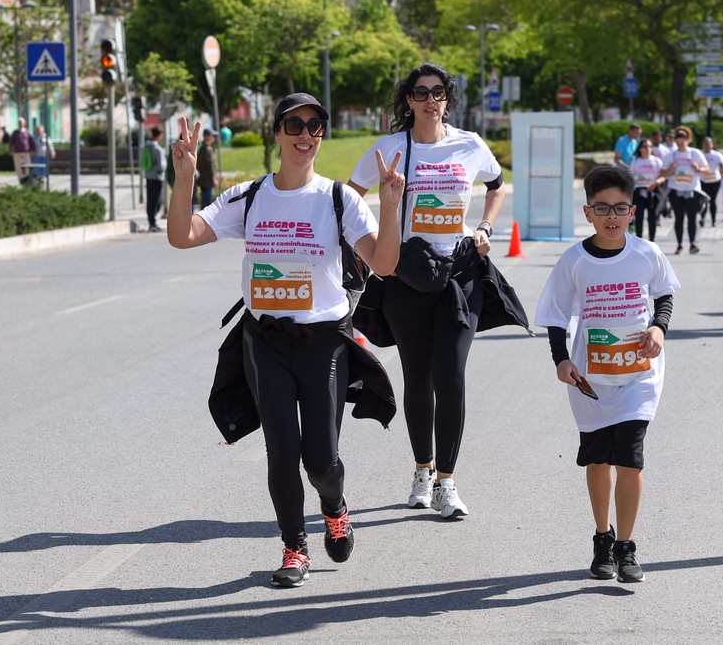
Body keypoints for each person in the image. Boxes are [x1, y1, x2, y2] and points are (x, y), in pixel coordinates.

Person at [167, 92, 404, 589]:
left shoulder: (339, 198)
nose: (305, 136)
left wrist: (391, 204)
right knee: (282, 449)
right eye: (294, 125)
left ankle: (335, 506)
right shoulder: (249, 196)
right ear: (277, 132)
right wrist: (186, 175)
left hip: (324, 342)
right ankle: (295, 548)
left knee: (320, 459)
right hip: (266, 340)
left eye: (314, 127)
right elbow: (183, 235)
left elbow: (383, 264)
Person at [348, 63, 506, 519]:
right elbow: (347, 197)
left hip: (459, 273)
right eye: (421, 93)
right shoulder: (390, 149)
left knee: (450, 375)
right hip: (405, 275)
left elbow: (495, 185)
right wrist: (377, 239)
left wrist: (485, 225)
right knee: (417, 379)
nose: (430, 100)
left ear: (447, 99)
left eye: (438, 92)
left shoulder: (470, 144)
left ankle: (447, 482)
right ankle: (422, 469)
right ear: (409, 100)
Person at [534, 165, 680, 583]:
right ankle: (603, 538)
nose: (611, 216)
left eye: (619, 208)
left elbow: (664, 293)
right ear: (588, 211)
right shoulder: (574, 261)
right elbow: (556, 314)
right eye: (602, 208)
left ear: (632, 211)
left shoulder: (647, 253)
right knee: (598, 460)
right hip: (590, 379)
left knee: (630, 462)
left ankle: (627, 548)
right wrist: (560, 359)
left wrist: (658, 327)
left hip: (639, 375)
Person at [661, 125, 708, 255]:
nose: (681, 139)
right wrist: (670, 170)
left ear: (688, 139)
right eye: (678, 137)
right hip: (676, 190)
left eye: (683, 137)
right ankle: (679, 244)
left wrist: (698, 168)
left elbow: (706, 169)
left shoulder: (695, 153)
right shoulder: (671, 155)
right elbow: (662, 172)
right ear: (675, 139)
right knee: (679, 218)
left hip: (692, 189)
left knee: (692, 217)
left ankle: (693, 243)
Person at [628, 138, 665, 241]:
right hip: (639, 192)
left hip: (653, 193)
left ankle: (652, 241)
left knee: (652, 218)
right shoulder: (635, 162)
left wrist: (657, 182)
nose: (648, 149)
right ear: (640, 149)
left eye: (650, 146)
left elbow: (663, 176)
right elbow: (629, 177)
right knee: (639, 217)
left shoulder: (657, 161)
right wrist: (635, 180)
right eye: (645, 146)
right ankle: (639, 241)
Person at [144, 126, 167, 232]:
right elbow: (162, 166)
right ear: (159, 135)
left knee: (150, 200)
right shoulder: (157, 149)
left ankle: (151, 222)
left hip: (148, 175)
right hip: (157, 177)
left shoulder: (146, 146)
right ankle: (153, 222)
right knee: (157, 201)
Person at [699, 137, 723, 228]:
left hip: (715, 181)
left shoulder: (717, 155)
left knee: (712, 201)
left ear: (712, 145)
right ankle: (702, 218)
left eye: (708, 144)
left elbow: (722, 165)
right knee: (704, 200)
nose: (706, 146)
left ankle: (713, 220)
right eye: (705, 144)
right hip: (703, 181)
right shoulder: (700, 154)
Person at [197, 128, 218, 209]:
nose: (214, 138)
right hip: (208, 180)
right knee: (207, 202)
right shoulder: (208, 149)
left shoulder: (202, 148)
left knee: (205, 201)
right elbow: (210, 165)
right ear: (207, 136)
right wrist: (214, 178)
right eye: (212, 136)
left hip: (203, 180)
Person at [9, 118, 34, 183]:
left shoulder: (27, 131)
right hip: (17, 152)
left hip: (26, 152)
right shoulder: (15, 132)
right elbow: (11, 142)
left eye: (22, 122)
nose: (21, 124)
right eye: (19, 122)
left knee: (28, 166)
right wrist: (11, 150)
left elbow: (31, 141)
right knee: (18, 166)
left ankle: (27, 179)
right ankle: (20, 180)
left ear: (24, 123)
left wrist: (32, 150)